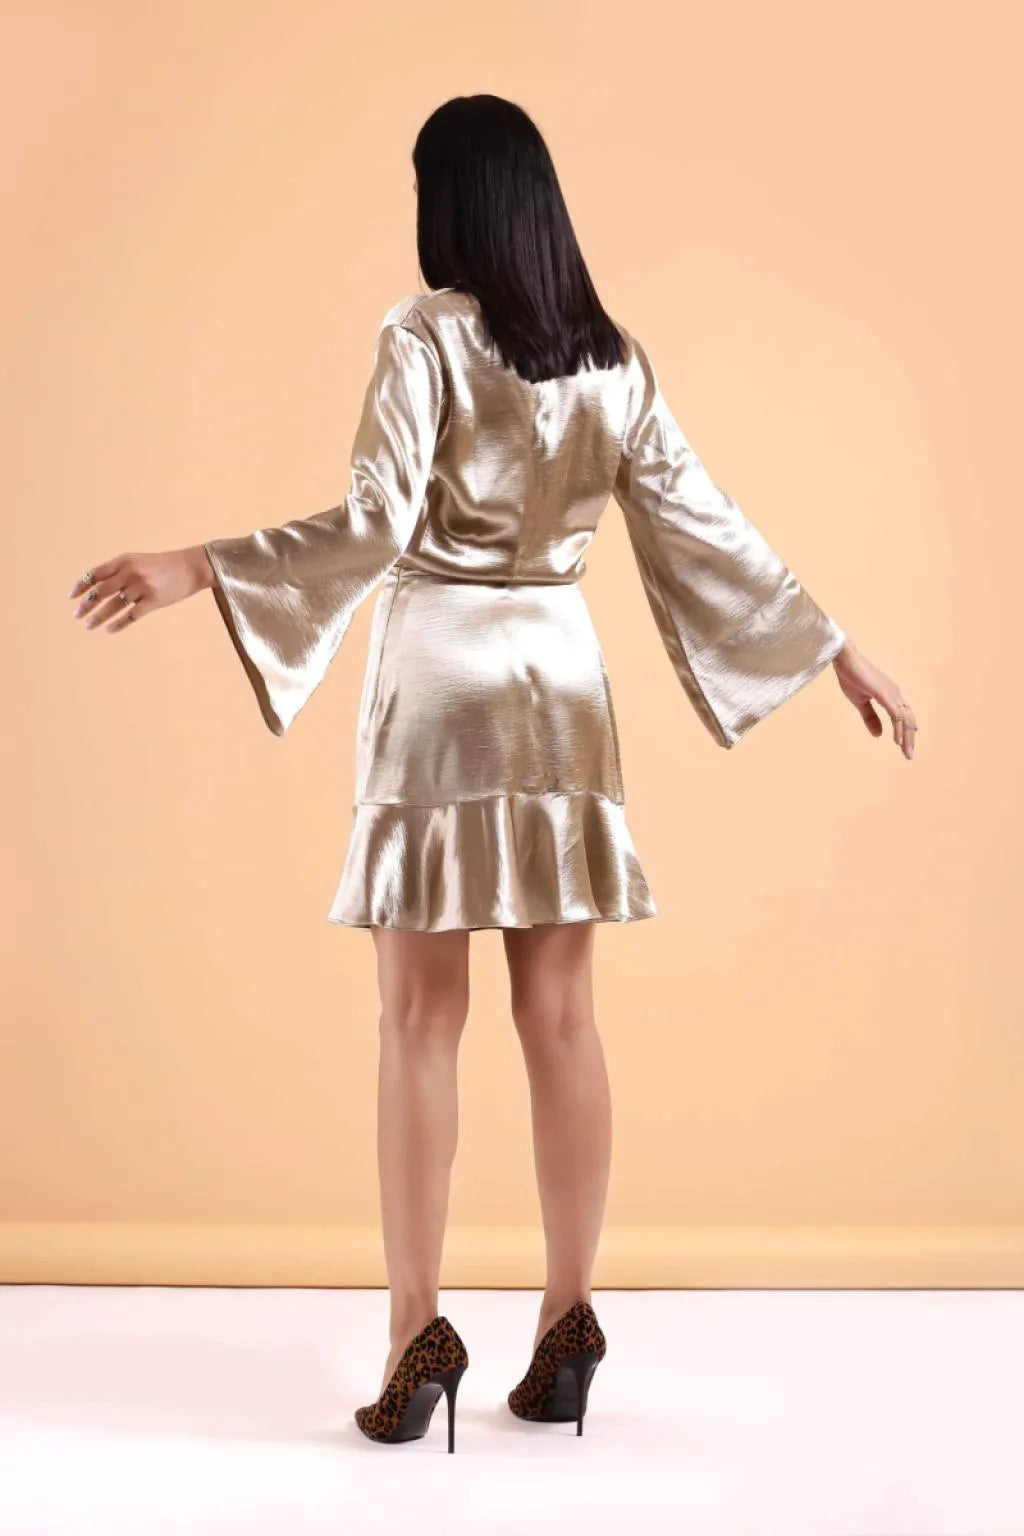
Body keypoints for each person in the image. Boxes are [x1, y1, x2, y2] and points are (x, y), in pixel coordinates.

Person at [67, 93, 917, 1453]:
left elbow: (375, 522)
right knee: (564, 1020)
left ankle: (417, 1332)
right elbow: (703, 520)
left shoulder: (424, 337)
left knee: (419, 1022)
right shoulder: (611, 359)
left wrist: (201, 567)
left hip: (442, 685)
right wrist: (833, 648)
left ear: (448, 202)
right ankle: (569, 1317)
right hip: (563, 684)